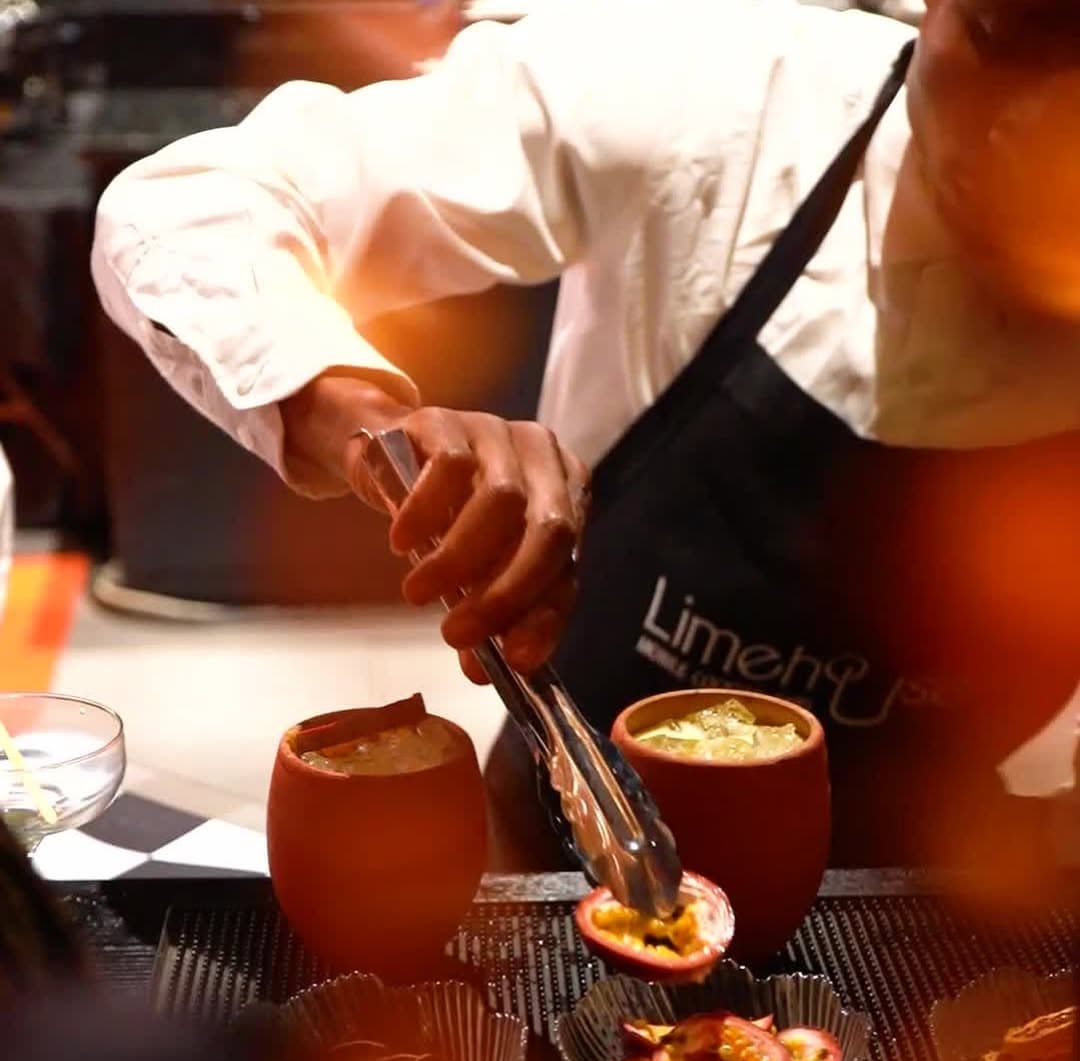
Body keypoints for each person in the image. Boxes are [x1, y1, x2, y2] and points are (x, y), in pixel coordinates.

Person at [91, 0, 1080, 872]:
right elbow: (184, 209)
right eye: (1000, 38)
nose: (1028, 138)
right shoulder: (724, 97)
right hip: (562, 865)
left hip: (933, 917)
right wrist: (373, 428)